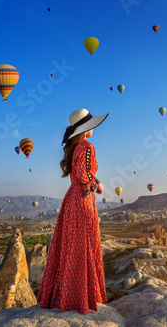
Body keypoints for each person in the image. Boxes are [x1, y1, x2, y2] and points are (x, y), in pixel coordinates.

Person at [37, 108, 108, 313]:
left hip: (72, 198)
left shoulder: (74, 146)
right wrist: (95, 186)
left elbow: (78, 172)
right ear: (85, 128)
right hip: (82, 198)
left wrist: (92, 181)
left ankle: (66, 296)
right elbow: (83, 173)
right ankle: (81, 298)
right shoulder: (86, 145)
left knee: (70, 245)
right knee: (83, 242)